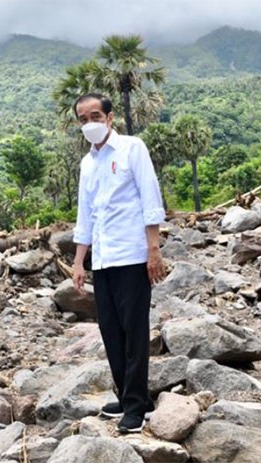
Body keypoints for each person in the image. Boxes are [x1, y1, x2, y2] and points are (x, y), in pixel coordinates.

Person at [71, 93, 167, 433]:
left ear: (110, 118)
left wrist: (153, 250)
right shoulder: (87, 164)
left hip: (131, 255)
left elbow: (150, 197)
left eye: (95, 115)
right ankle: (127, 396)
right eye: (83, 119)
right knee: (110, 330)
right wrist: (79, 261)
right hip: (103, 260)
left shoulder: (132, 148)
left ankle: (138, 406)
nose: (90, 123)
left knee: (134, 329)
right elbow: (86, 216)